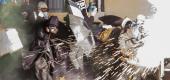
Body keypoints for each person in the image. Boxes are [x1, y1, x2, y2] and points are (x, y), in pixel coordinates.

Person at [22, 16, 72, 80]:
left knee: (53, 63)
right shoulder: (40, 32)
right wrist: (47, 45)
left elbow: (57, 41)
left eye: (53, 28)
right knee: (41, 66)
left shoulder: (60, 28)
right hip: (38, 50)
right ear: (47, 26)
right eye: (50, 28)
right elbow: (39, 45)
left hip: (48, 50)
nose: (51, 30)